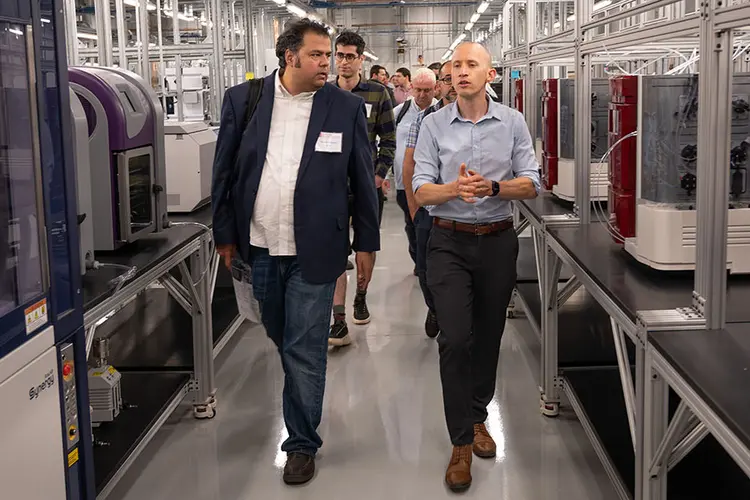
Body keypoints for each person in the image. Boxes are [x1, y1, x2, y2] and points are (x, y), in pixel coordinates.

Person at [211, 19, 380, 485]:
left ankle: (301, 444)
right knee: (281, 336)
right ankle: (301, 399)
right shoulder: (244, 101)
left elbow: (361, 179)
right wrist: (223, 234)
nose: (328, 63)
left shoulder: (344, 107)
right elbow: (224, 174)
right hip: (260, 246)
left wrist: (367, 241)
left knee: (305, 349)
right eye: (318, 55)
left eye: (330, 56)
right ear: (290, 57)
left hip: (317, 249)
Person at [412, 42, 541, 492]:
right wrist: (454, 189)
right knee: (455, 337)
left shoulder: (513, 123)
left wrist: (492, 187)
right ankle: (461, 441)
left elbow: (531, 184)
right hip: (447, 242)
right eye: (456, 66)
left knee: (488, 337)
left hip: (497, 241)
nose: (462, 72)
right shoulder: (432, 125)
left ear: (490, 74)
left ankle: (479, 414)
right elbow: (421, 190)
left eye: (472, 65)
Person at [329, 31, 396, 346]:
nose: (343, 61)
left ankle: (361, 295)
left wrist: (379, 176)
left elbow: (389, 141)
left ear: (361, 59)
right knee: (335, 252)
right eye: (339, 55)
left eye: (350, 56)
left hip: (368, 186)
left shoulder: (377, 93)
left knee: (365, 247)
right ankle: (338, 318)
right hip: (332, 187)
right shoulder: (323, 94)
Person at [400, 60, 456, 338]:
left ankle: (455, 319)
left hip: (466, 212)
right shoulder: (424, 120)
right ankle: (434, 307)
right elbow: (409, 166)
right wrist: (413, 207)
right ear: (441, 85)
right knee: (424, 266)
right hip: (428, 209)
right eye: (448, 78)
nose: (454, 83)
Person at [392, 68, 437, 274]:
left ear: (435, 89)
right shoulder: (398, 113)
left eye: (427, 90)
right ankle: (419, 261)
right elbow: (385, 143)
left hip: (433, 186)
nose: (421, 95)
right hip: (404, 183)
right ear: (411, 88)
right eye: (418, 89)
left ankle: (429, 266)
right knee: (412, 225)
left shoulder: (441, 114)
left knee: (430, 228)